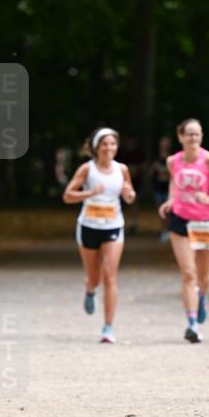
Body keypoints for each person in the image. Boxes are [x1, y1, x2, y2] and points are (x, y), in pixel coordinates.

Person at [158, 118, 209, 343]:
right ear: (180, 136)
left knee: (203, 277)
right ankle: (192, 324)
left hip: (206, 222)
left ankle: (202, 298)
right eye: (189, 134)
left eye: (197, 134)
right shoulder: (173, 161)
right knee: (188, 273)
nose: (193, 138)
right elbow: (174, 183)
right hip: (180, 221)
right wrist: (171, 200)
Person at [62, 126, 136, 344]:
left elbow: (130, 196)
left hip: (113, 226)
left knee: (110, 276)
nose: (109, 148)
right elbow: (68, 196)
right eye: (105, 144)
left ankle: (108, 327)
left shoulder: (122, 169)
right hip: (88, 226)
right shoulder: (87, 169)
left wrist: (129, 194)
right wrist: (90, 193)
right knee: (94, 277)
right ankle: (90, 289)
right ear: (97, 147)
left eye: (113, 144)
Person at [150, 135, 173, 242]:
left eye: (166, 144)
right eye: (163, 143)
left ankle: (170, 231)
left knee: (170, 212)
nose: (164, 146)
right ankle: (164, 231)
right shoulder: (155, 158)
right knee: (161, 212)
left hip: (169, 189)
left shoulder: (173, 158)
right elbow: (150, 172)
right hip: (158, 188)